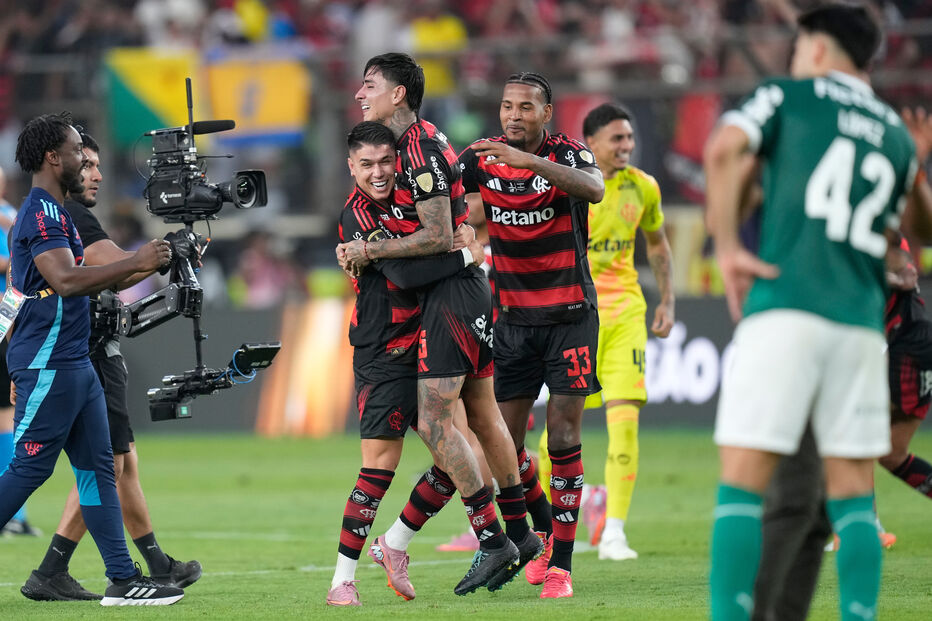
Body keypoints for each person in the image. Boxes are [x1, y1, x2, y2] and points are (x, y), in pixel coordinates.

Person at [703, 5, 917, 620]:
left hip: (787, 308)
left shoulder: (787, 95)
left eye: (799, 48)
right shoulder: (897, 134)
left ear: (818, 51)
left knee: (742, 481)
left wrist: (731, 248)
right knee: (853, 497)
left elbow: (723, 149)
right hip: (859, 323)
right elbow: (904, 233)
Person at [337, 53, 540, 596]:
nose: (361, 94)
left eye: (370, 85)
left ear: (398, 94)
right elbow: (452, 220)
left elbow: (434, 233)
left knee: (435, 424)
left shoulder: (420, 147)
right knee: (482, 412)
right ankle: (519, 532)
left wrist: (370, 249)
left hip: (452, 293)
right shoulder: (410, 145)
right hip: (460, 289)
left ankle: (494, 541)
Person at [0, 112, 183, 606]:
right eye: (79, 150)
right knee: (30, 470)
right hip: (48, 362)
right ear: (52, 158)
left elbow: (83, 279)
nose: (86, 158)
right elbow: (63, 280)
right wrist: (139, 261)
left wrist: (156, 259)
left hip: (74, 363)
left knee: (98, 469)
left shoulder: (57, 213)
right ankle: (120, 574)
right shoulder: (40, 213)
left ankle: (123, 579)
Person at [458, 71, 606, 598]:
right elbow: (449, 202)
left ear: (547, 114)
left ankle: (562, 564)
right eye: (506, 106)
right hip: (512, 321)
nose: (513, 116)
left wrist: (530, 163)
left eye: (525, 108)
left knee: (563, 433)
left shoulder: (568, 155)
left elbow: (595, 189)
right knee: (507, 446)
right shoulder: (478, 156)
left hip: (569, 315)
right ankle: (543, 529)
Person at [327, 121, 487, 606]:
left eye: (385, 162)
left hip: (427, 338)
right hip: (381, 349)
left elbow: (440, 229)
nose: (378, 173)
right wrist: (465, 256)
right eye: (366, 164)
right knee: (379, 466)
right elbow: (402, 271)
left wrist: (454, 237)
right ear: (350, 167)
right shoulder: (355, 217)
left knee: (453, 454)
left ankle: (394, 544)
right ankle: (341, 582)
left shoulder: (414, 200)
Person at [536, 102, 675, 561]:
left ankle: (614, 530)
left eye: (630, 139)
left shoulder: (644, 188)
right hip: (578, 316)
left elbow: (657, 242)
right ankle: (546, 528)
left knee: (625, 423)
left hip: (627, 316)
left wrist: (668, 300)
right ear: (591, 143)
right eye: (617, 139)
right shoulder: (571, 187)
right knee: (555, 432)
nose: (627, 147)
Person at [0, 164, 40, 537]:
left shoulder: (13, 215)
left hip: (7, 322)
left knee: (11, 416)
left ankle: (16, 514)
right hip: (7, 319)